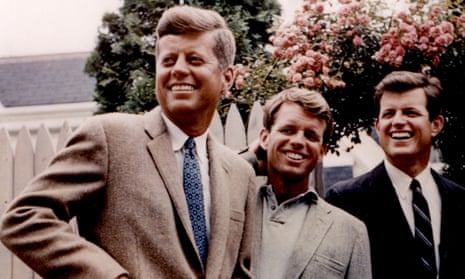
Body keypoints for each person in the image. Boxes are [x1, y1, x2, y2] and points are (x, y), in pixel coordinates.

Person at [0, 5, 257, 279]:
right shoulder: (110, 137)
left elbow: (239, 272)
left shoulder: (241, 175)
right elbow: (24, 217)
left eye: (194, 60)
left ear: (226, 78)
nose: (179, 69)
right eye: (168, 61)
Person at [325, 70, 465, 279]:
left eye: (410, 113)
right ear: (378, 126)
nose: (398, 121)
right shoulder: (345, 200)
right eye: (389, 114)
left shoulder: (460, 200)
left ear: (435, 124)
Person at [246, 87, 371, 279]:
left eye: (310, 136)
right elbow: (216, 175)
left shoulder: (351, 231)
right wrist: (250, 160)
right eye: (287, 130)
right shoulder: (235, 207)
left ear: (322, 151)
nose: (298, 141)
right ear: (264, 137)